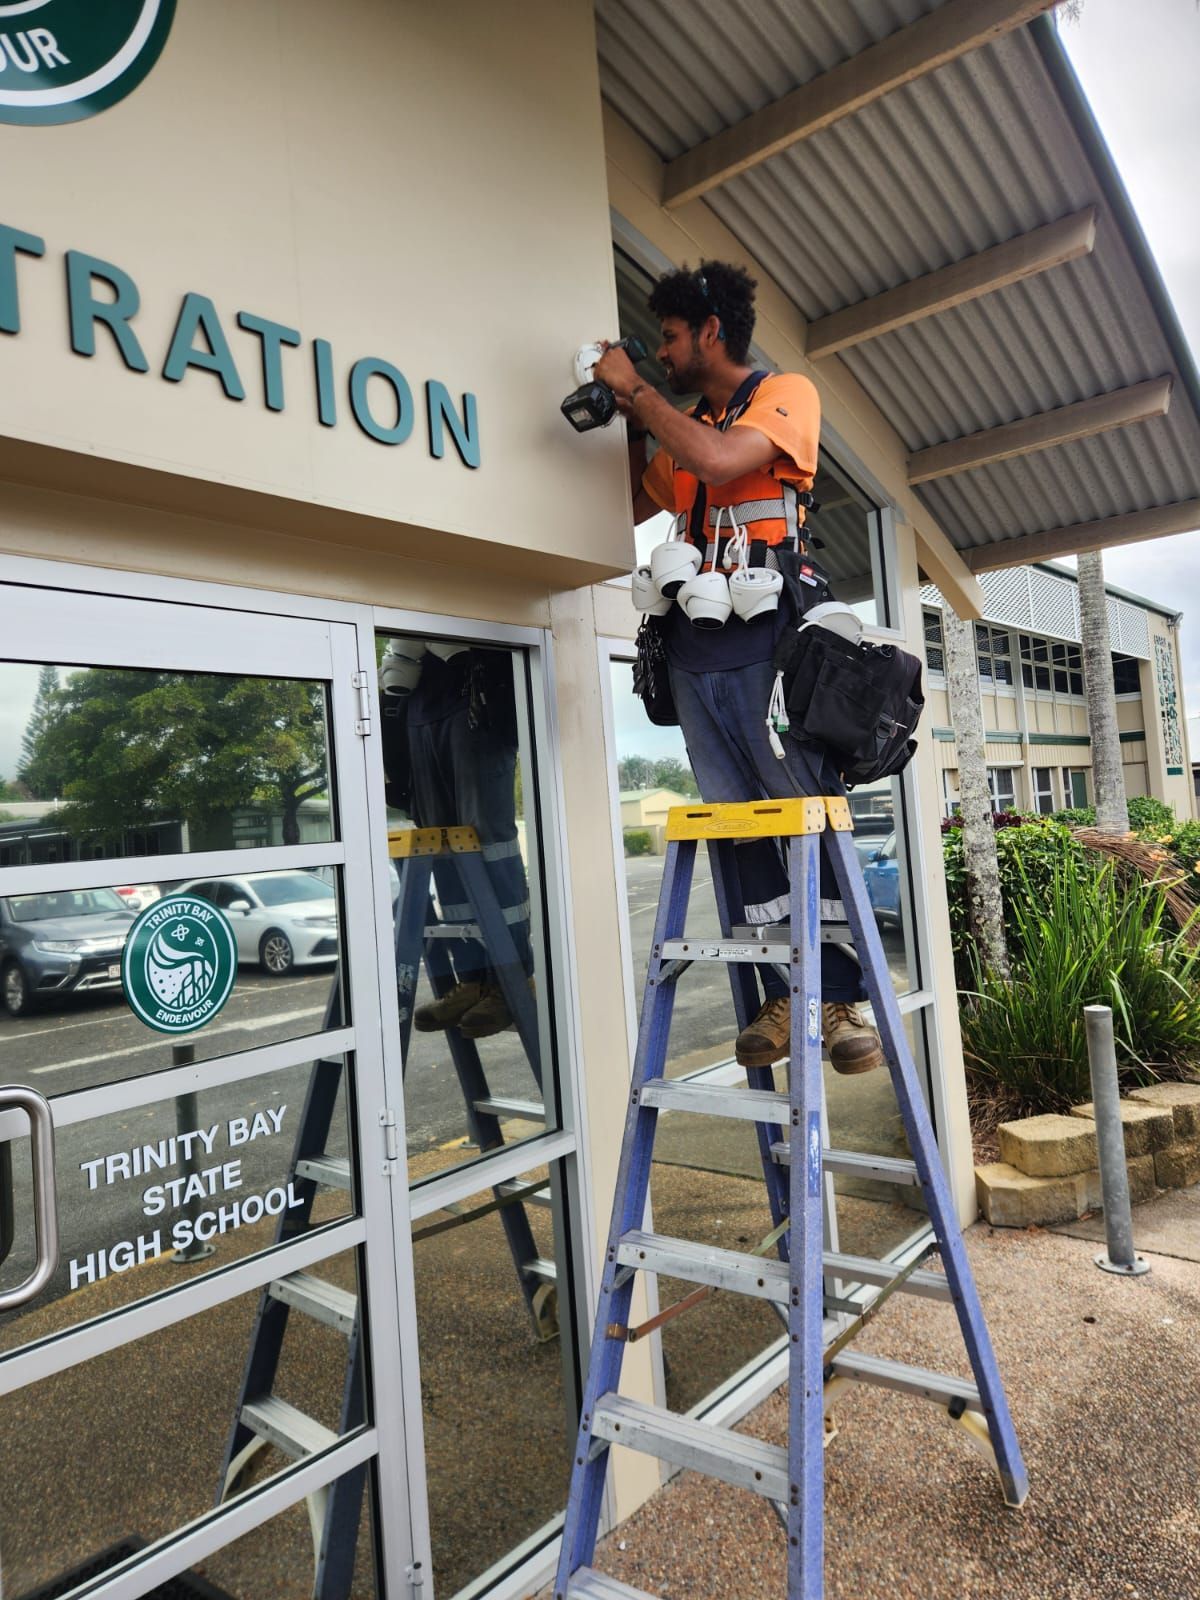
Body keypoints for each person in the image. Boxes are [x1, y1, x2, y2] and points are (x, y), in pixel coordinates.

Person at [594, 260, 882, 1074]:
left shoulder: (785, 394)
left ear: (712, 331)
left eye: (673, 336)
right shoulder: (684, 429)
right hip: (694, 645)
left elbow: (724, 463)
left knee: (796, 803)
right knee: (734, 819)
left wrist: (640, 393)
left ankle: (838, 995)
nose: (662, 350)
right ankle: (784, 997)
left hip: (769, 640)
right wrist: (628, 414)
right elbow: (629, 500)